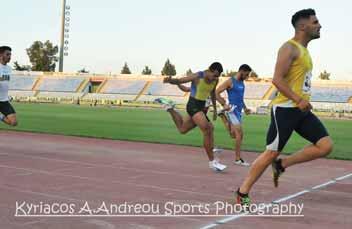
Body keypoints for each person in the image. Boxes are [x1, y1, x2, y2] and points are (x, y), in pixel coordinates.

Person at [236, 9, 333, 206]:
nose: (319, 25)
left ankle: (282, 165)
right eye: (315, 22)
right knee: (271, 152)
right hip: (285, 110)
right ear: (303, 26)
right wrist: (299, 99)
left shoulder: (305, 51)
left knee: (325, 146)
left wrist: (303, 100)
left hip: (301, 110)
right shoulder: (289, 48)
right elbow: (277, 80)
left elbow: (298, 81)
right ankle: (242, 192)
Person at [155, 62, 227, 171]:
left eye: (218, 76)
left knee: (182, 129)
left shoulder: (215, 80)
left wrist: (215, 110)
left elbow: (212, 93)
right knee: (207, 129)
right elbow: (180, 80)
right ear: (209, 70)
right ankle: (212, 162)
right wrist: (170, 80)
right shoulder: (198, 76)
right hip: (193, 105)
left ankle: (169, 108)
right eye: (215, 75)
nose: (215, 78)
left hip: (202, 108)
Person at [216, 64, 252, 166]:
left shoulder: (242, 83)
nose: (247, 76)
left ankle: (222, 116)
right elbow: (216, 92)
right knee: (239, 134)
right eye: (246, 74)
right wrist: (224, 104)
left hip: (239, 112)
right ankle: (238, 159)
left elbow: (240, 98)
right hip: (232, 110)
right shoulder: (230, 81)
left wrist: (245, 108)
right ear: (241, 71)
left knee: (233, 135)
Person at [0, 46, 18, 127]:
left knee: (13, 122)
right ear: (1, 55)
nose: (9, 57)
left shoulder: (9, 69)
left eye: (10, 55)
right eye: (7, 54)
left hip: (4, 100)